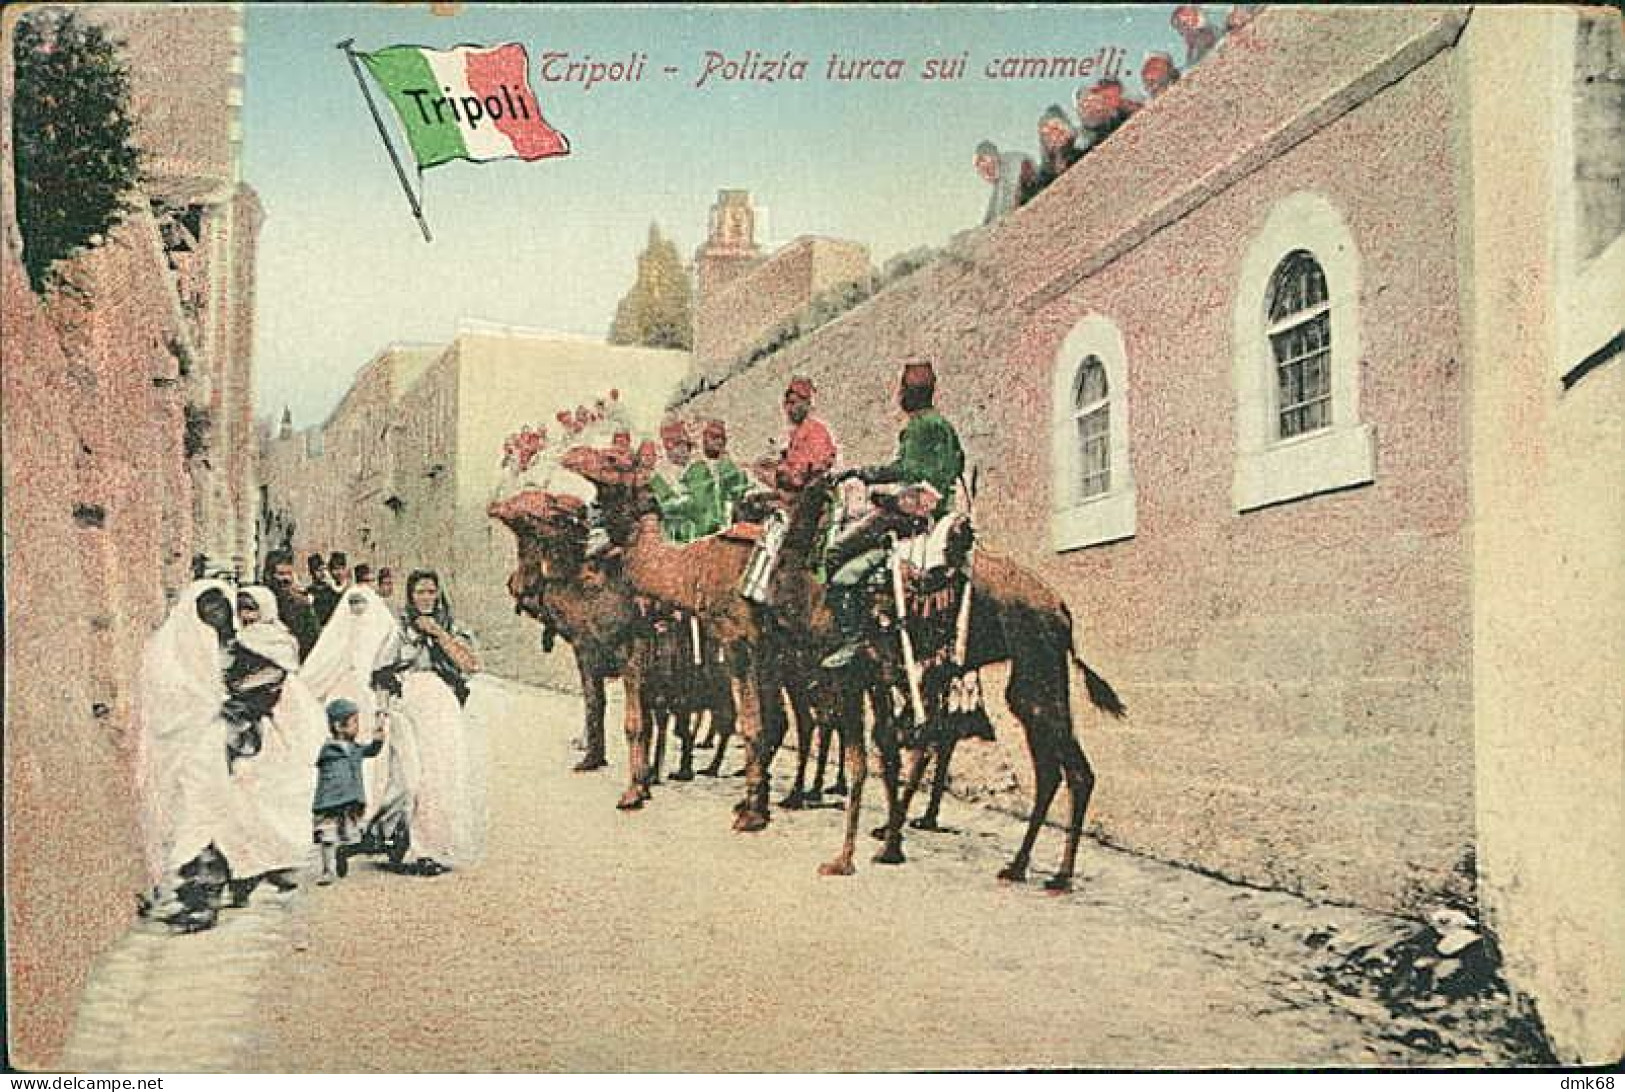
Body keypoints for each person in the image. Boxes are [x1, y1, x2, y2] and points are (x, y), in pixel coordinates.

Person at [822, 360, 966, 670]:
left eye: (902, 389)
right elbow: (958, 464)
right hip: (939, 511)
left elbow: (907, 469)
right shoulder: (945, 426)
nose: (899, 394)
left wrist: (863, 474)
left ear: (910, 395)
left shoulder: (919, 425)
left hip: (909, 515)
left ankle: (851, 638)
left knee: (836, 553)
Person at [134, 580, 239, 932]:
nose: (214, 614)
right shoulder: (167, 646)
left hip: (211, 748)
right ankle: (186, 897)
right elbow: (163, 693)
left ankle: (204, 902)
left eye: (220, 608)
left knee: (207, 817)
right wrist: (208, 705)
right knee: (182, 818)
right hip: (176, 749)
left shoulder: (224, 646)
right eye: (207, 607)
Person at [370, 571, 484, 876]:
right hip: (408, 704)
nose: (426, 598)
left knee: (441, 773)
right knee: (409, 773)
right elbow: (380, 672)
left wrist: (437, 634)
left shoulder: (452, 628)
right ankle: (398, 838)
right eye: (419, 592)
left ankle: (431, 847)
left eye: (431, 592)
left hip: (441, 704)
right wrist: (380, 715)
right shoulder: (400, 631)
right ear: (410, 596)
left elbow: (470, 665)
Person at [220, 586, 327, 906]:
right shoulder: (240, 641)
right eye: (242, 610)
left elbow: (274, 673)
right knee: (247, 794)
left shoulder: (275, 638)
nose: (247, 617)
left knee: (278, 790)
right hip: (257, 718)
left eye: (252, 609)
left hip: (280, 718)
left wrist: (237, 688)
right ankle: (247, 868)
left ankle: (274, 861)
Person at [301, 583, 400, 828]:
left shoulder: (383, 630)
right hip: (343, 693)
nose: (357, 610)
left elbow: (387, 667)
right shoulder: (339, 632)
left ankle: (367, 808)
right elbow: (322, 664)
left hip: (369, 696)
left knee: (370, 753)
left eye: (361, 605)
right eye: (352, 604)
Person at [312, 698, 386, 885]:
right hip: (329, 803)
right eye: (354, 723)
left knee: (350, 836)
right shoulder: (328, 751)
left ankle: (341, 857)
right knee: (327, 837)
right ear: (339, 726)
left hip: (351, 802)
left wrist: (378, 739)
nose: (358, 727)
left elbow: (372, 750)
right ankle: (327, 870)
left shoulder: (355, 749)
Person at [758, 377, 838, 495]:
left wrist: (780, 469)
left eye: (793, 403)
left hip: (810, 494)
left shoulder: (815, 431)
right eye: (787, 404)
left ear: (806, 404)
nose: (789, 409)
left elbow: (806, 472)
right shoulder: (797, 432)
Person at [685, 420, 752, 537]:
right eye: (714, 437)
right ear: (704, 438)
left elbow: (739, 495)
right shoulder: (694, 469)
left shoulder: (732, 468)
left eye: (722, 438)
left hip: (727, 529)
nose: (720, 442)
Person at [650, 418, 702, 543]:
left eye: (686, 444)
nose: (683, 449)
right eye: (677, 443)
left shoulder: (697, 467)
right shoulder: (657, 474)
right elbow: (666, 504)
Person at [1023, 106, 1085, 204]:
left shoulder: (1085, 150)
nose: (1054, 137)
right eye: (1047, 134)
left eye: (1056, 129)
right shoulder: (1043, 176)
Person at [267, 551, 321, 660]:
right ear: (268, 576)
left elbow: (313, 641)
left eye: (289, 573)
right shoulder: (258, 602)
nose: (286, 579)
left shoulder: (302, 605)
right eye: (281, 574)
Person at [974, 140, 1034, 225]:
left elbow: (1009, 194)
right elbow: (993, 204)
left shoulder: (1010, 162)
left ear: (995, 157)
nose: (983, 173)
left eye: (982, 160)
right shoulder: (1001, 176)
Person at [312, 551, 351, 629]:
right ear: (330, 570)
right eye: (336, 569)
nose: (339, 572)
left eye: (342, 568)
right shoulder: (323, 593)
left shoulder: (351, 590)